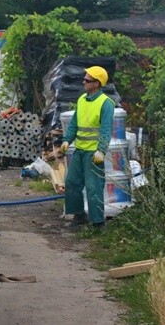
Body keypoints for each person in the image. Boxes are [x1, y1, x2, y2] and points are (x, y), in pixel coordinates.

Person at [60, 65, 115, 227]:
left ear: (97, 83)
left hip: (94, 154)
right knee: (71, 182)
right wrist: (66, 139)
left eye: (87, 80)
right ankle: (79, 216)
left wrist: (101, 150)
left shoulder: (106, 103)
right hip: (80, 151)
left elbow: (106, 130)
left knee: (93, 187)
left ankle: (98, 222)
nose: (83, 81)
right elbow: (75, 123)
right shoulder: (82, 100)